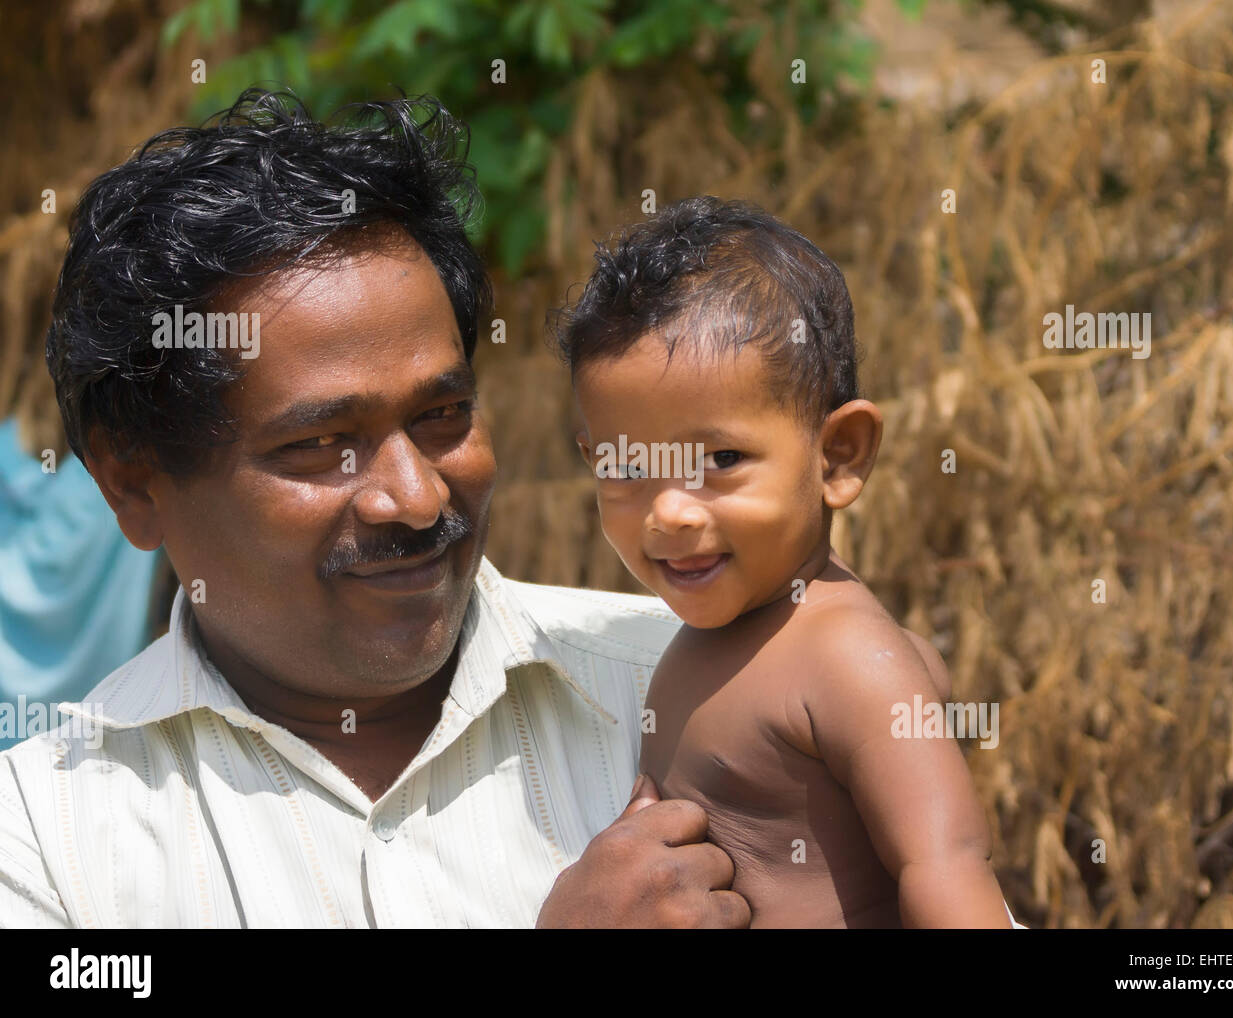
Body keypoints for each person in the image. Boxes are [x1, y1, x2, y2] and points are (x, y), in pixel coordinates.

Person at [0, 89, 946, 929]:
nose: (416, 497)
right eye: (320, 446)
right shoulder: (45, 845)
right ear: (133, 484)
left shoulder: (723, 691)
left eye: (443, 416)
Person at [553, 197, 1019, 927]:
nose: (669, 510)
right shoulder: (714, 635)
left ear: (838, 455)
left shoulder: (847, 656)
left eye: (722, 459)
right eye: (626, 467)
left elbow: (948, 867)